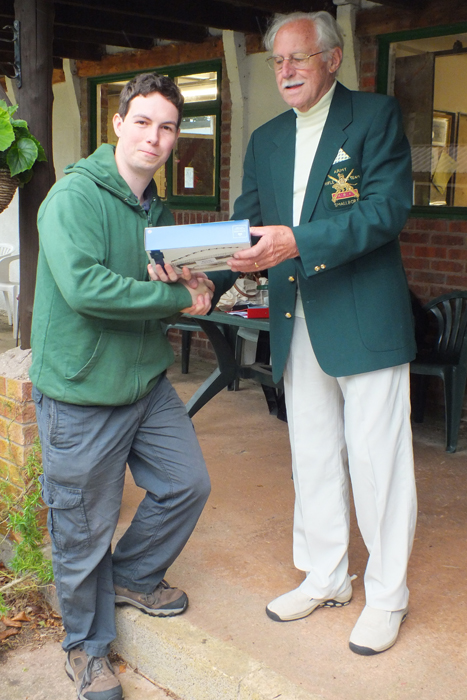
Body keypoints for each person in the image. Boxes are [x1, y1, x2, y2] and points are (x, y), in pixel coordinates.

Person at [225, 11, 418, 656]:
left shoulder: (374, 116)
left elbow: (386, 210)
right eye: (277, 60)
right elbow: (246, 221)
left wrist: (296, 241)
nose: (284, 71)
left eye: (298, 58)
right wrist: (208, 254)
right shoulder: (267, 137)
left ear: (332, 60)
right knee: (311, 451)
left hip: (363, 314)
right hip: (294, 316)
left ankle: (388, 595)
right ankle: (327, 575)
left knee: (377, 461)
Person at [30, 73, 213, 700]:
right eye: (143, 122)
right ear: (117, 122)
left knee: (187, 482)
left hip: (144, 382)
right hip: (81, 392)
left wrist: (191, 296)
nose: (155, 138)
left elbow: (152, 294)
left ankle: (132, 576)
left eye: (167, 127)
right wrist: (168, 295)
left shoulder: (154, 208)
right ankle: (86, 650)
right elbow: (85, 289)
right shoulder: (73, 197)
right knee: (82, 528)